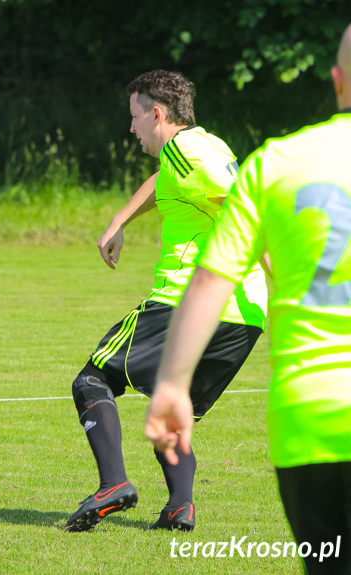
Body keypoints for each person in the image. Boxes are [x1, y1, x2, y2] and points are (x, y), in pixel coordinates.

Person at [146, 25, 351, 574]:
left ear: (335, 80)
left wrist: (171, 385)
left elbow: (211, 281)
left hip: (312, 417)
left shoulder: (276, 163)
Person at [64, 70, 269, 532]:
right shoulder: (202, 147)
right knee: (168, 404)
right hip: (245, 315)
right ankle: (179, 507)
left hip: (190, 301)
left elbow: (243, 206)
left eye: (135, 117)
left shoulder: (189, 151)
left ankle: (113, 484)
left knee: (92, 380)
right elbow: (167, 182)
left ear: (156, 114)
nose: (131, 128)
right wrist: (119, 220)